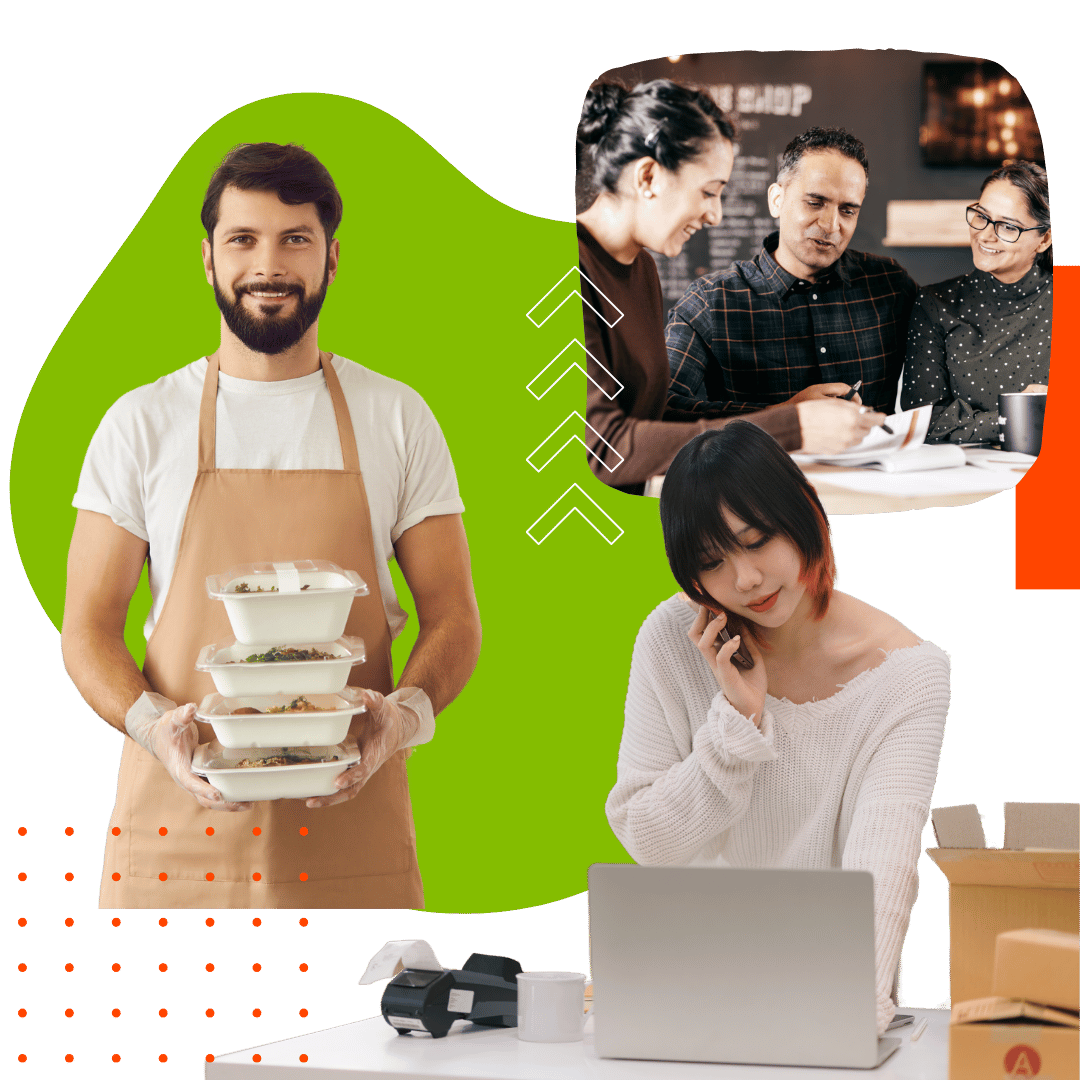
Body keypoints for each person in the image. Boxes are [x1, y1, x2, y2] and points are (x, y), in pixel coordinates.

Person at [62, 143, 482, 909]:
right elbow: (87, 628)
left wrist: (406, 717)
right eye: (243, 239)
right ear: (208, 258)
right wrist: (158, 729)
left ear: (331, 258)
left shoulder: (396, 416)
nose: (269, 264)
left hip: (354, 836)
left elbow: (454, 614)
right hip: (175, 839)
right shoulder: (141, 423)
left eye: (296, 239)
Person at [605, 422, 949, 1034]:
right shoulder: (673, 639)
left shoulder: (907, 674)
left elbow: (884, 865)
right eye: (712, 562)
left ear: (806, 515)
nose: (746, 581)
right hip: (685, 993)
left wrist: (842, 1019)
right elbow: (648, 841)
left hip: (834, 998)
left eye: (757, 540)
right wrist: (737, 724)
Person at [575, 85, 882, 496]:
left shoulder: (641, 268)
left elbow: (656, 422)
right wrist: (792, 427)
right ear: (648, 176)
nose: (716, 215)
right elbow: (603, 448)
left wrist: (784, 411)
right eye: (708, 192)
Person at [665, 127, 917, 421]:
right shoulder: (709, 302)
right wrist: (784, 415)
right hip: (762, 466)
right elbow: (664, 409)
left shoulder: (889, 284)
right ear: (776, 199)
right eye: (815, 202)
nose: (830, 224)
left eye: (848, 210)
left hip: (876, 466)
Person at [901, 161, 1052, 444]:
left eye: (1008, 226)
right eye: (982, 216)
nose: (985, 235)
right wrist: (1022, 417)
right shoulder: (935, 304)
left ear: (1043, 239)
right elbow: (924, 419)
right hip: (965, 477)